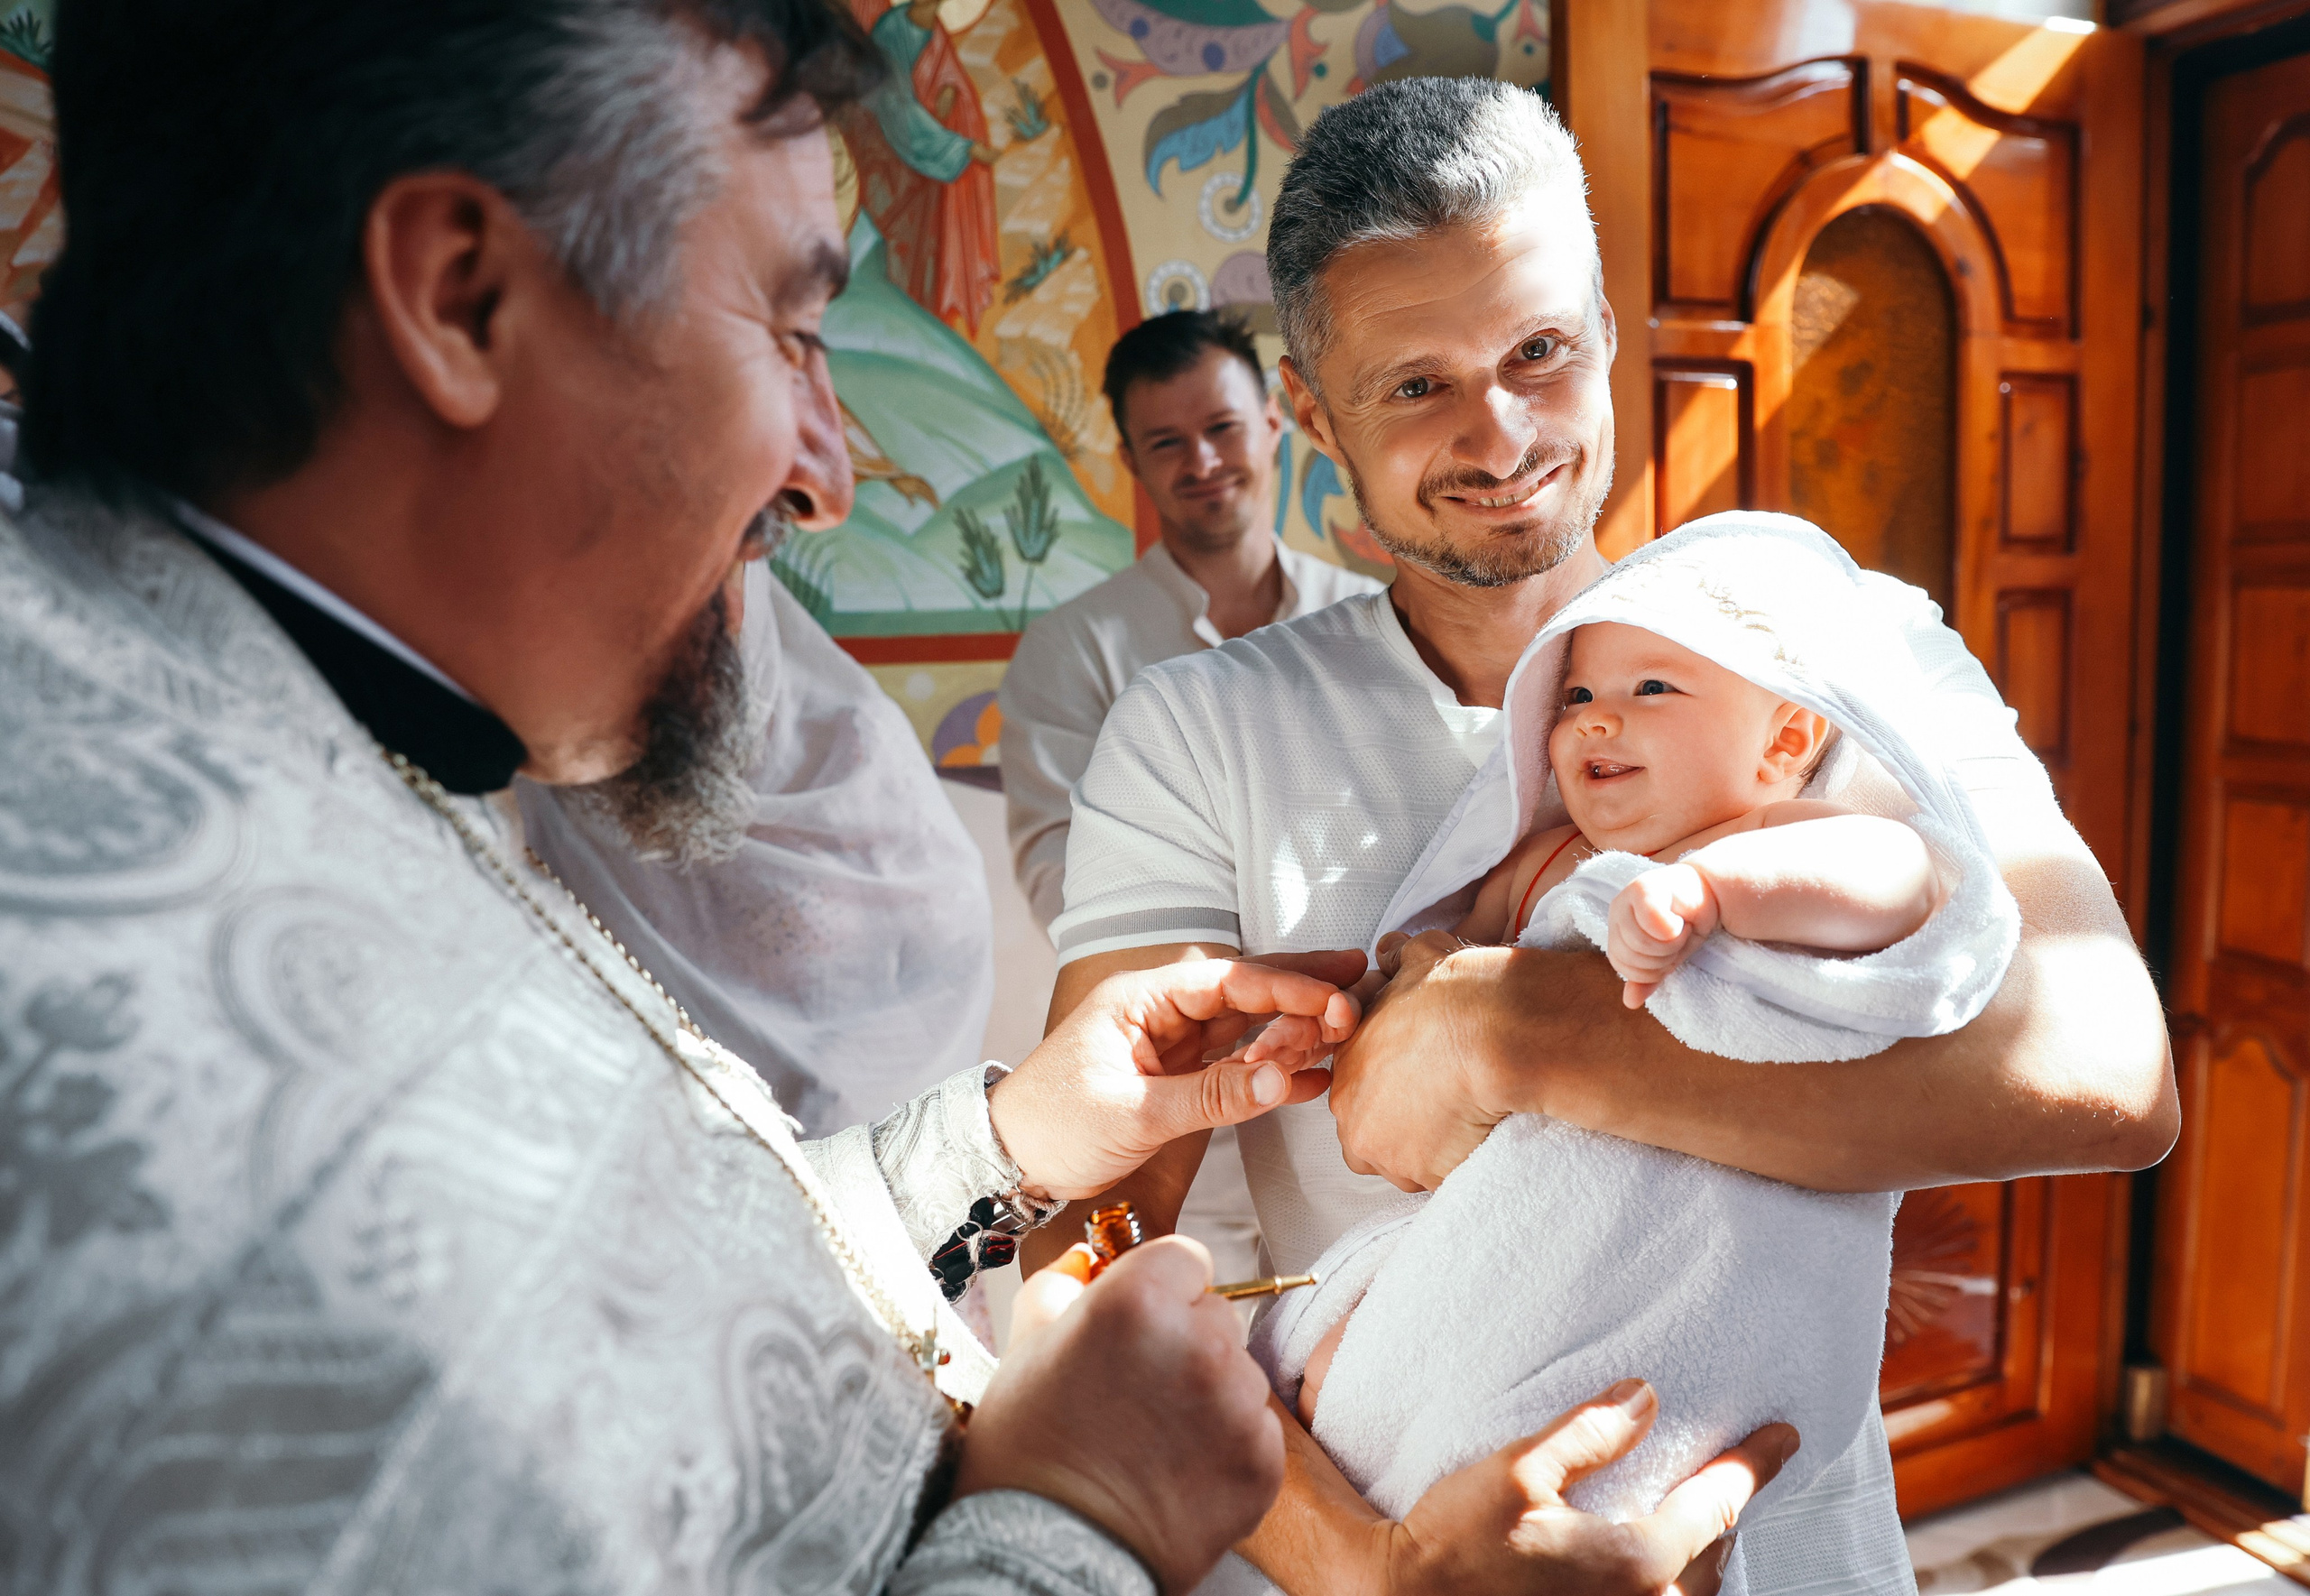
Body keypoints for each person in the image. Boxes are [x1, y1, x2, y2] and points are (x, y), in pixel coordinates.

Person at [0, 9, 1796, 1594]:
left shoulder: (287, 721)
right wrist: (1081, 1513)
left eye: (1541, 352)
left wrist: (995, 1142)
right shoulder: (160, 1078)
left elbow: (654, 1302)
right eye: (790, 323)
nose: (830, 463)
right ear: (459, 295)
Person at [1030, 78, 2177, 1595]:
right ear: (1312, 414)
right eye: (1416, 385)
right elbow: (1084, 1250)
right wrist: (1377, 1566)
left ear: (1606, 331)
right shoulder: (1194, 733)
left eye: (1539, 351)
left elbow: (2110, 1074)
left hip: (1795, 1537)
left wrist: (1511, 1035)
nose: (1500, 431)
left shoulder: (1829, 647)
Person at [1279, 518, 2024, 1596]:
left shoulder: (1779, 835)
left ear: (1781, 740)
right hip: (1526, 1207)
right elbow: (1440, 975)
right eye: (1574, 696)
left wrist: (1715, 892)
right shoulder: (1546, 862)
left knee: (1618, 1378)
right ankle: (1407, 1399)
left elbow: (1906, 876)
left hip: (1697, 1223)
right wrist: (1365, 997)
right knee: (1364, 1337)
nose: (1599, 718)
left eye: (1653, 689)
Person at [1002, 311, 1377, 1288]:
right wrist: (1225, 973)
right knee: (1161, 1322)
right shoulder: (1073, 648)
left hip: (1350, 1049)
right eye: (1166, 442)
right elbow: (1056, 863)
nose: (1201, 460)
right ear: (1131, 459)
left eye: (1220, 426)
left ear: (1274, 419)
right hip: (1164, 1070)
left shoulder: (1371, 622)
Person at [519, 560, 1000, 1138]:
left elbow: (925, 1001)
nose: (666, 628)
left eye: (716, 575)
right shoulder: (532, 774)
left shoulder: (858, 770)